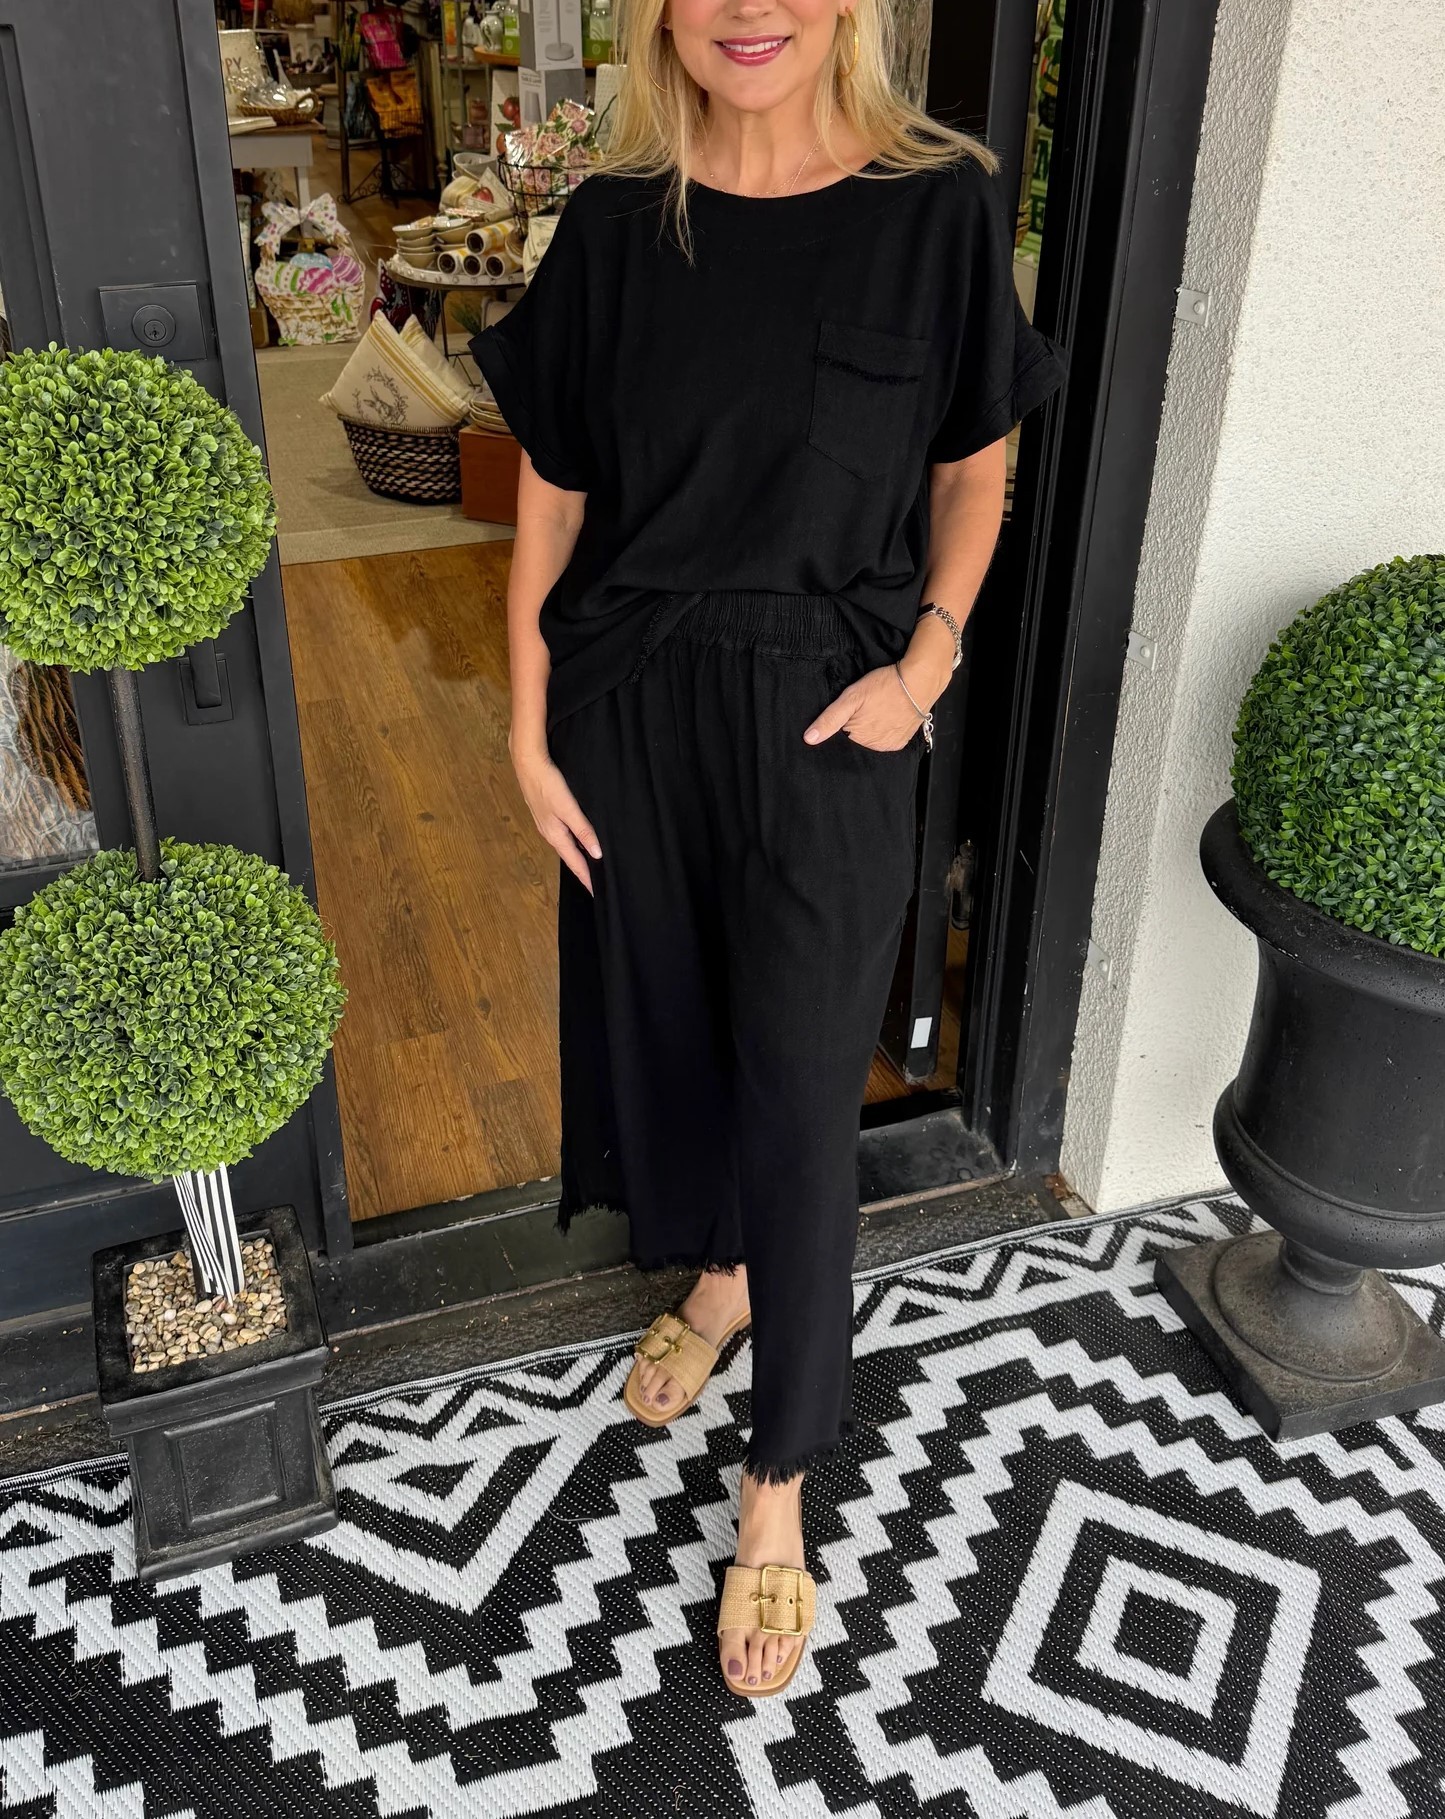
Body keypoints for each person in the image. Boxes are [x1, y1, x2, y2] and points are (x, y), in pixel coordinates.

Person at [470, 0, 1067, 1699]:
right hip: (633, 708)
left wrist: (923, 669)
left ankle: (779, 1484)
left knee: (802, 1092)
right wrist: (525, 724)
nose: (750, 9)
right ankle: (722, 1277)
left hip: (829, 715)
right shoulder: (613, 224)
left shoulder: (932, 205)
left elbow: (972, 469)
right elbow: (553, 493)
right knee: (673, 1034)